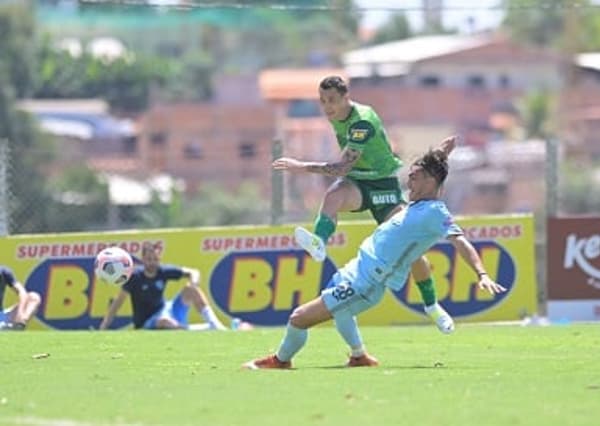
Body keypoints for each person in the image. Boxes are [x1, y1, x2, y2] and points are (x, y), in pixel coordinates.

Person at [245, 147, 506, 369]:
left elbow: (460, 241)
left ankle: (281, 361)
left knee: (298, 318)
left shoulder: (435, 212)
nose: (409, 182)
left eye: (414, 178)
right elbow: (434, 170)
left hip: (366, 283)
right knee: (341, 314)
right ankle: (359, 357)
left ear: (429, 180)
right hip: (356, 269)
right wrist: (442, 153)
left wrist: (481, 274)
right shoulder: (415, 204)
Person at [272, 75, 456, 333]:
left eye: (333, 101)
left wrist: (301, 167)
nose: (327, 107)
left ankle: (432, 306)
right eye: (323, 101)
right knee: (333, 198)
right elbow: (348, 170)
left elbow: (341, 167)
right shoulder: (338, 118)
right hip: (358, 181)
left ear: (346, 97)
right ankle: (319, 244)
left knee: (413, 253)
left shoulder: (362, 122)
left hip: (382, 185)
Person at [99, 243, 228, 331]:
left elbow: (194, 272)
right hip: (148, 322)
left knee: (191, 290)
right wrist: (104, 326)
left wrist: (194, 282)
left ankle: (216, 326)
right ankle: (200, 329)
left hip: (168, 309)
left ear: (159, 258)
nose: (152, 262)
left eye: (155, 259)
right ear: (143, 259)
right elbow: (118, 302)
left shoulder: (163, 271)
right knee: (164, 321)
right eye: (149, 259)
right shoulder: (134, 277)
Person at [0, 265, 41, 331]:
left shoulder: (3, 271)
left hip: (1, 316)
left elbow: (22, 292)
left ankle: (18, 326)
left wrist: (20, 313)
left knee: (33, 297)